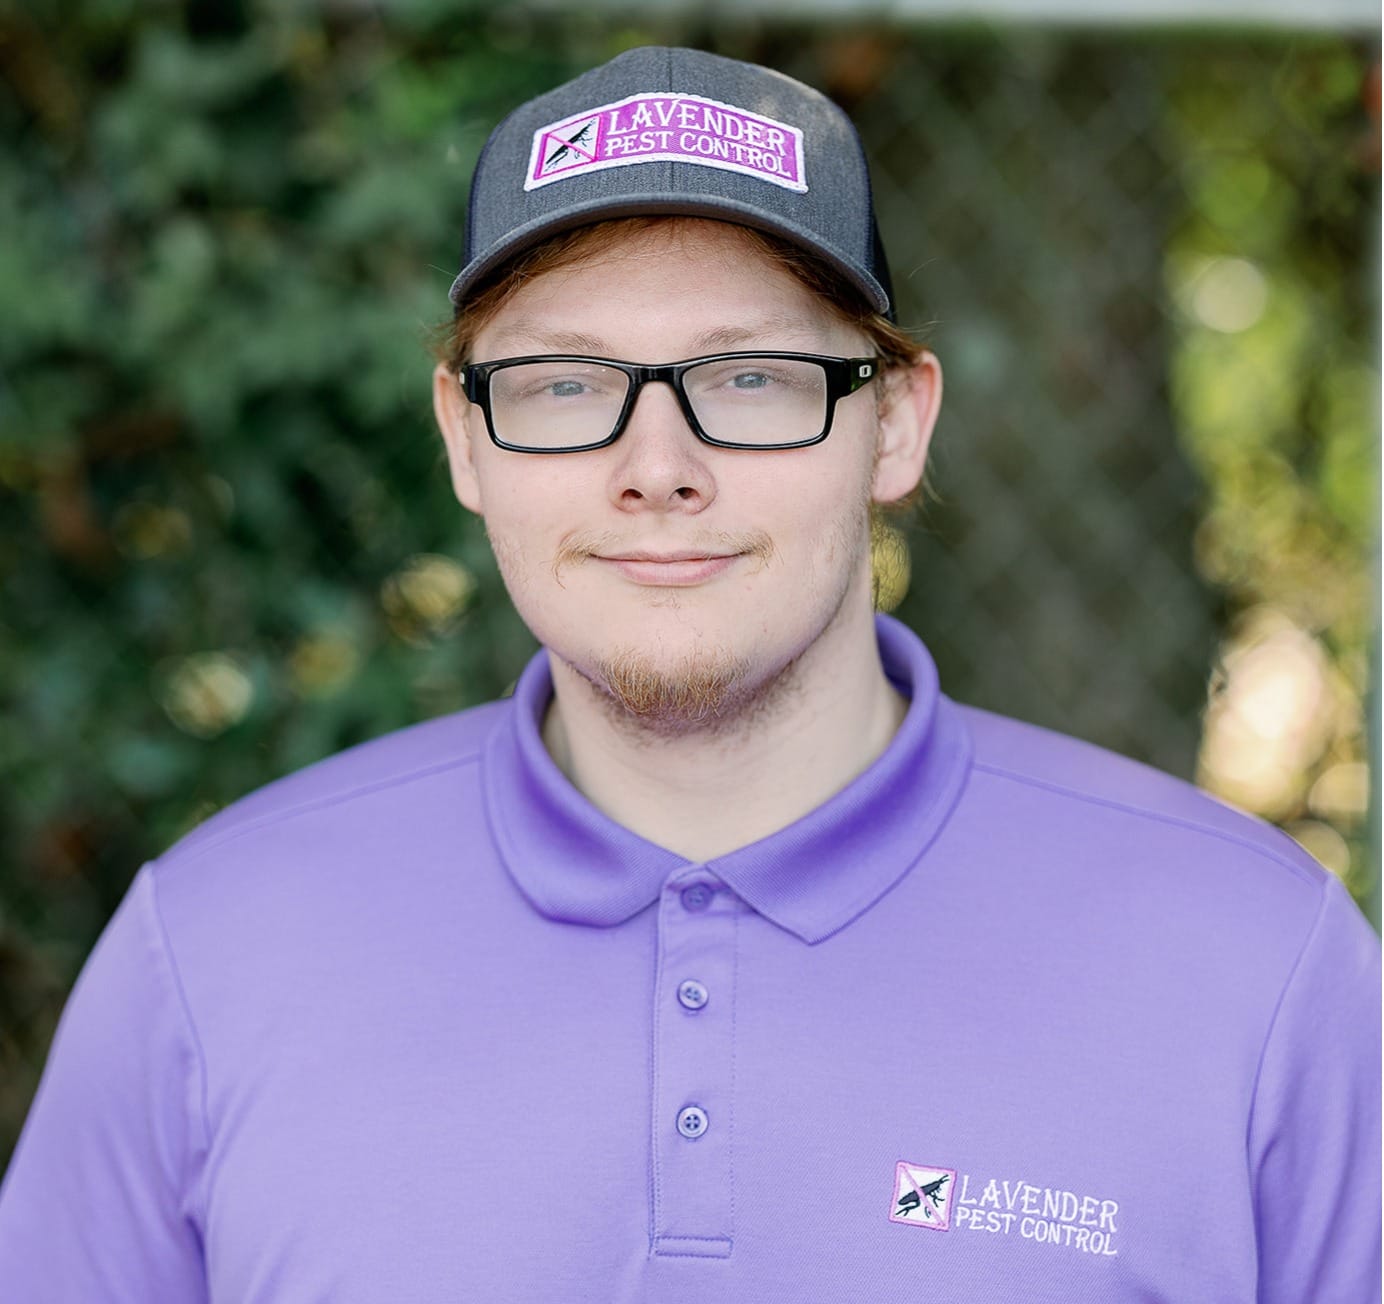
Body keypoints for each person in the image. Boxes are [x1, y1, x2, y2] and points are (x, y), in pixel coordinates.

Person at [0, 44, 1377, 1304]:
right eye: (560, 386)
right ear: (464, 440)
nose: (657, 467)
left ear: (895, 425)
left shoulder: (1256, 965)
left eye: (754, 379)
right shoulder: (213, 951)